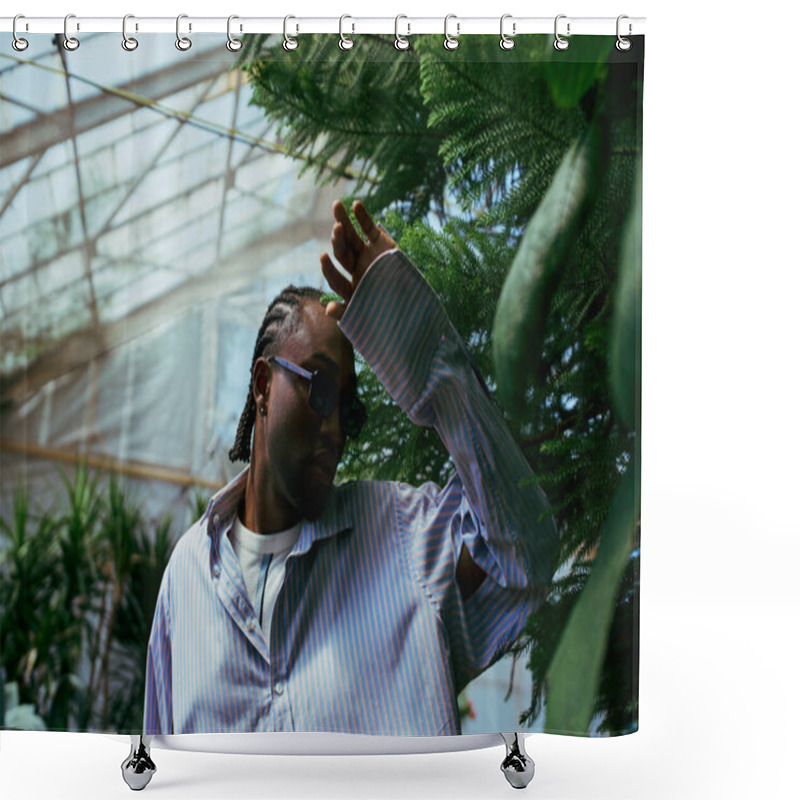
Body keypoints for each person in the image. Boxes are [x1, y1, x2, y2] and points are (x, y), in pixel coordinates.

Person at [144, 200, 558, 736]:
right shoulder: (187, 579)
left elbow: (527, 550)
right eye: (318, 388)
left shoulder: (405, 538)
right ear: (264, 385)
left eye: (349, 409)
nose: (336, 430)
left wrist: (419, 350)